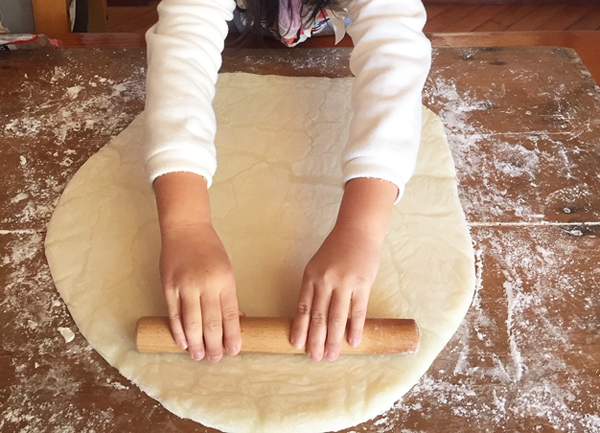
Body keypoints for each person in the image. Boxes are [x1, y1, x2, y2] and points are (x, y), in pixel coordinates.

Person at [144, 0, 432, 363]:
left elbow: (395, 49)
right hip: (236, 41)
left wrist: (361, 230)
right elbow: (185, 41)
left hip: (329, 37)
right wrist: (186, 226)